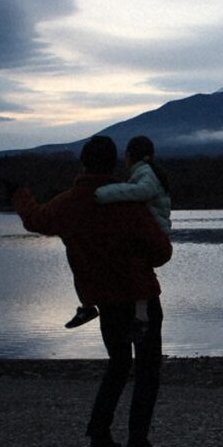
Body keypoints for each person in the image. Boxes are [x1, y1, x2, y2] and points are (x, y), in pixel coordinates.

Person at [8, 135, 172, 447]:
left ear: (83, 163)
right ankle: (138, 444)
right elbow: (161, 252)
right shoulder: (126, 203)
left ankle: (99, 438)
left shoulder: (70, 203)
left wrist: (18, 194)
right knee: (147, 370)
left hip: (106, 301)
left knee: (118, 364)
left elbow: (35, 219)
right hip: (141, 299)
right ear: (115, 165)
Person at [64, 135, 172, 341]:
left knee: (136, 265)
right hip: (156, 230)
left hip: (156, 231)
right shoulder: (146, 172)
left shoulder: (145, 174)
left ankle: (135, 317)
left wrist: (106, 193)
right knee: (136, 267)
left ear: (129, 156)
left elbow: (142, 191)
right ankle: (135, 317)